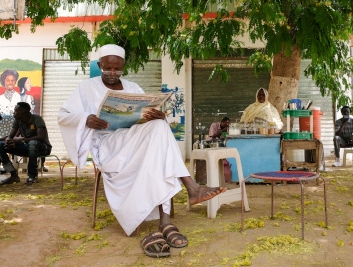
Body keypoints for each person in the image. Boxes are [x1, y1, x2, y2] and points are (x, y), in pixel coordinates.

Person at [57, 44, 226, 257]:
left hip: (134, 139)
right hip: (108, 145)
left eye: (117, 69)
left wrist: (158, 115)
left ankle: (166, 220)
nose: (112, 73)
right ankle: (190, 189)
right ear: (100, 65)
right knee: (159, 136)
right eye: (107, 68)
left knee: (159, 127)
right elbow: (63, 115)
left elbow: (146, 112)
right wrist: (86, 119)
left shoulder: (133, 87)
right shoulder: (86, 88)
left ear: (124, 67)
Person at [0, 102, 52, 185]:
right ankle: (13, 175)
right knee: (0, 145)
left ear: (23, 112)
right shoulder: (18, 120)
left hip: (43, 148)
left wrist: (21, 140)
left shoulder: (37, 119)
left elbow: (41, 137)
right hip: (27, 148)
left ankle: (32, 176)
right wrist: (8, 141)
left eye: (15, 111)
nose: (14, 112)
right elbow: (11, 136)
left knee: (33, 143)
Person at [0, 69, 21, 137]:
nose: (10, 83)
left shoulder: (19, 97)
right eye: (8, 80)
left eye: (12, 80)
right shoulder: (1, 98)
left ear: (15, 82)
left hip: (15, 130)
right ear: (4, 82)